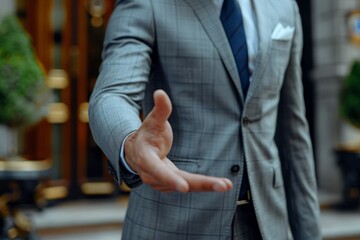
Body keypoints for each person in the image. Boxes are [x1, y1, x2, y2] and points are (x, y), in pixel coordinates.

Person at [89, 0, 321, 239]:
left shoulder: (284, 6)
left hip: (269, 226)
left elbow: (293, 134)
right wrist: (132, 143)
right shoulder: (148, 3)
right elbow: (112, 95)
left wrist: (310, 233)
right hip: (174, 224)